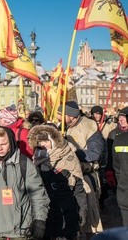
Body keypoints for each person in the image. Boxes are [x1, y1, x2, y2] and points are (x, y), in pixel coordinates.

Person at [0, 126, 50, 239]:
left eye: (3, 144)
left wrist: (40, 219)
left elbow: (38, 193)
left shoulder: (24, 164)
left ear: (11, 142)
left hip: (19, 229)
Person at [29, 124, 87, 239]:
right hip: (47, 210)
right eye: (39, 142)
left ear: (53, 140)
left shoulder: (67, 155)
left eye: (45, 141)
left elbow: (79, 186)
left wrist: (83, 209)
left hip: (67, 208)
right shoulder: (37, 158)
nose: (42, 144)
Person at [58, 101, 105, 235]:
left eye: (61, 114)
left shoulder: (89, 127)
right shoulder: (62, 126)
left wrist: (70, 152)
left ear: (71, 115)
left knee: (89, 219)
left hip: (85, 177)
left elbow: (94, 153)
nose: (58, 117)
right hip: (67, 178)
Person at [106, 107, 128, 226]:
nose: (121, 119)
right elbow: (114, 162)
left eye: (124, 117)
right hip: (123, 190)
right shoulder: (115, 135)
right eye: (120, 117)